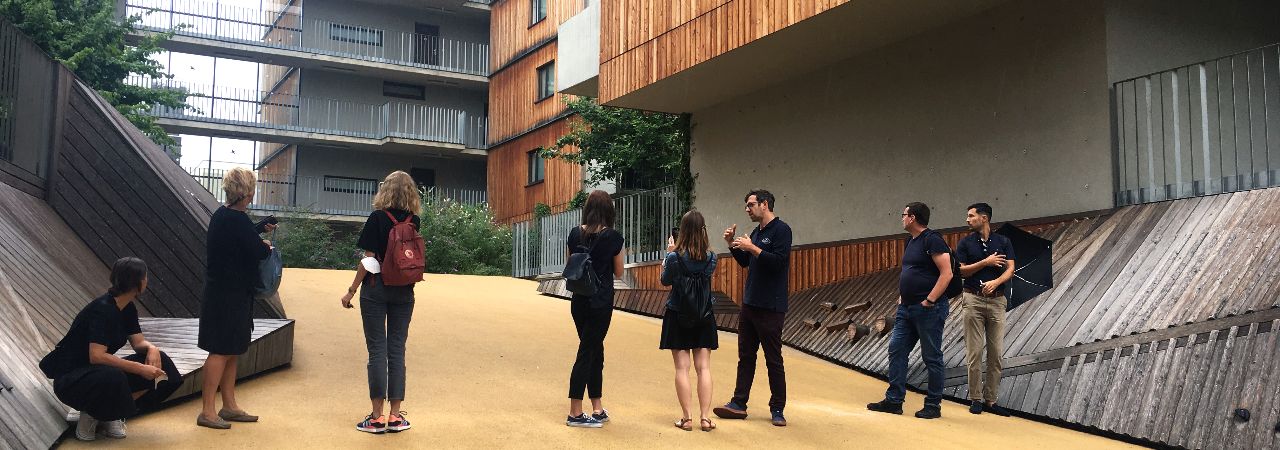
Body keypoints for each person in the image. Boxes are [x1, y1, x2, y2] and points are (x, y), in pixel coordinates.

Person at [39, 257, 182, 441]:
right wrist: (140, 369)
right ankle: (92, 414)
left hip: (96, 373)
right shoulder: (102, 310)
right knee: (114, 375)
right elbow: (97, 356)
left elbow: (138, 343)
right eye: (145, 277)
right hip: (70, 380)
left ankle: (109, 414)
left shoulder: (127, 307)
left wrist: (152, 349)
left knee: (164, 364)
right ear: (137, 282)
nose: (147, 280)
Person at [339, 170, 423, 434]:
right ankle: (396, 417)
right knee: (397, 350)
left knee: (377, 351)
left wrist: (351, 290)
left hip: (375, 290)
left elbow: (369, 260)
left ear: (385, 190)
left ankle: (376, 418)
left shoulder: (377, 218)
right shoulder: (414, 220)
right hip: (404, 292)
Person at [197, 167, 275, 429]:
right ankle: (208, 410)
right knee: (221, 350)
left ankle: (228, 405)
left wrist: (260, 229)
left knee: (231, 350)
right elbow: (257, 251)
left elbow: (242, 238)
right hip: (229, 296)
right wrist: (264, 245)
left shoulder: (223, 215)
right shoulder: (237, 221)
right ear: (247, 193)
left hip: (223, 293)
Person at [713, 189, 792, 427]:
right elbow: (747, 262)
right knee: (745, 356)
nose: (747, 209)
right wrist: (733, 245)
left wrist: (752, 247)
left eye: (750, 205)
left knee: (773, 359)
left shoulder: (782, 230)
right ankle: (739, 403)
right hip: (750, 304)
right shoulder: (757, 232)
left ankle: (777, 409)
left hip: (771, 305)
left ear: (764, 204)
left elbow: (778, 263)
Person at [868, 202, 953, 419]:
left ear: (913, 217)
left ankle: (933, 405)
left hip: (929, 309)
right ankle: (894, 401)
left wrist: (930, 300)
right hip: (906, 308)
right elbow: (910, 270)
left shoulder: (932, 239)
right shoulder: (910, 241)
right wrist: (902, 297)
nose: (902, 218)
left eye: (903, 214)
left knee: (931, 357)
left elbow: (947, 274)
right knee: (896, 349)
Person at [564, 190, 625, 428]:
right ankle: (575, 412)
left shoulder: (574, 233)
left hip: (579, 301)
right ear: (609, 210)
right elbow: (619, 272)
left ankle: (597, 406)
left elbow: (570, 265)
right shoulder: (614, 237)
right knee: (587, 352)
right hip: (600, 302)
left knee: (594, 351)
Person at [659, 210, 719, 432]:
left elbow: (665, 280)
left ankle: (687, 418)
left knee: (682, 368)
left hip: (678, 313)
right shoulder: (712, 257)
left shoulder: (675, 258)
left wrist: (668, 255)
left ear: (682, 231)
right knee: (703, 368)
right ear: (703, 230)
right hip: (704, 315)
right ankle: (705, 418)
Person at [955, 202, 1015, 416]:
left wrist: (997, 282)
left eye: (971, 216)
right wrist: (986, 262)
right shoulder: (965, 243)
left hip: (998, 301)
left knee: (996, 353)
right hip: (973, 300)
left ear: (984, 218)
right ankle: (975, 398)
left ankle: (991, 400)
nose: (967, 219)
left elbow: (1011, 269)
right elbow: (961, 271)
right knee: (975, 352)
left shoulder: (1003, 241)